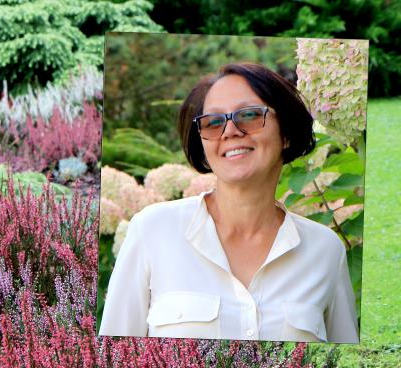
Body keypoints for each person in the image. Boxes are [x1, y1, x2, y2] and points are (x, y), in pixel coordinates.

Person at [99, 63, 359, 343]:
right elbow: (112, 358)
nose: (230, 131)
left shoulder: (325, 250)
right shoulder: (152, 230)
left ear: (285, 134)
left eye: (249, 115)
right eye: (213, 122)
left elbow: (346, 365)